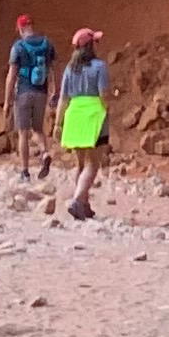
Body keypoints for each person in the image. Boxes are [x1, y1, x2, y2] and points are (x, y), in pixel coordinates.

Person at [56, 26, 111, 218]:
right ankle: (78, 200)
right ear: (90, 46)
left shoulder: (70, 69)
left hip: (74, 116)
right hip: (94, 115)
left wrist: (58, 123)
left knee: (80, 164)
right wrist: (108, 107)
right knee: (92, 164)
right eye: (96, 41)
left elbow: (63, 98)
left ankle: (84, 205)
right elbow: (104, 94)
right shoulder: (100, 67)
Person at [4, 10, 56, 178]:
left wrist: (7, 100)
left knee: (23, 133)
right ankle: (45, 152)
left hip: (24, 93)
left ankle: (25, 171)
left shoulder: (18, 47)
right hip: (41, 92)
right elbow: (55, 68)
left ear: (20, 28)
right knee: (38, 129)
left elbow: (12, 76)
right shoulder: (47, 44)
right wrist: (55, 89)